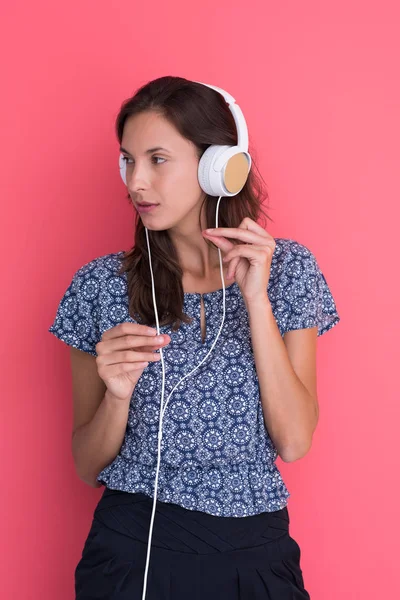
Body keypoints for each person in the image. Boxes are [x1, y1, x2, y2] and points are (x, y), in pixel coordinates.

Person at [48, 76, 340, 599]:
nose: (135, 182)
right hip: (130, 553)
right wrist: (117, 397)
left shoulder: (288, 270)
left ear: (218, 166)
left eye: (157, 159)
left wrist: (256, 300)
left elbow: (294, 442)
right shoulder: (99, 286)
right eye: (128, 160)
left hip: (254, 553)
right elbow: (86, 464)